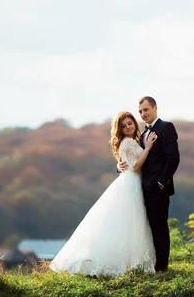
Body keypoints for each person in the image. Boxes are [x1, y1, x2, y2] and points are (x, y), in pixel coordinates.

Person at [50, 111, 158, 277]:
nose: (128, 127)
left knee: (131, 222)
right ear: (119, 130)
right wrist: (149, 148)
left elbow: (129, 163)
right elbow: (135, 167)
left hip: (133, 182)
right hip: (130, 184)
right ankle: (123, 262)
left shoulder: (134, 140)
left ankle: (132, 261)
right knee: (127, 222)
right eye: (124, 126)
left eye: (130, 123)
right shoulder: (127, 143)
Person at [117, 96, 180, 272]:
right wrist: (119, 166)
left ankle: (162, 267)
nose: (143, 114)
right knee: (148, 227)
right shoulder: (143, 133)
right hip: (142, 188)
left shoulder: (166, 127)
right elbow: (134, 158)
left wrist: (161, 182)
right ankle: (151, 263)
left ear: (155, 108)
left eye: (146, 110)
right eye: (140, 111)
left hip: (158, 188)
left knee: (159, 227)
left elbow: (173, 158)